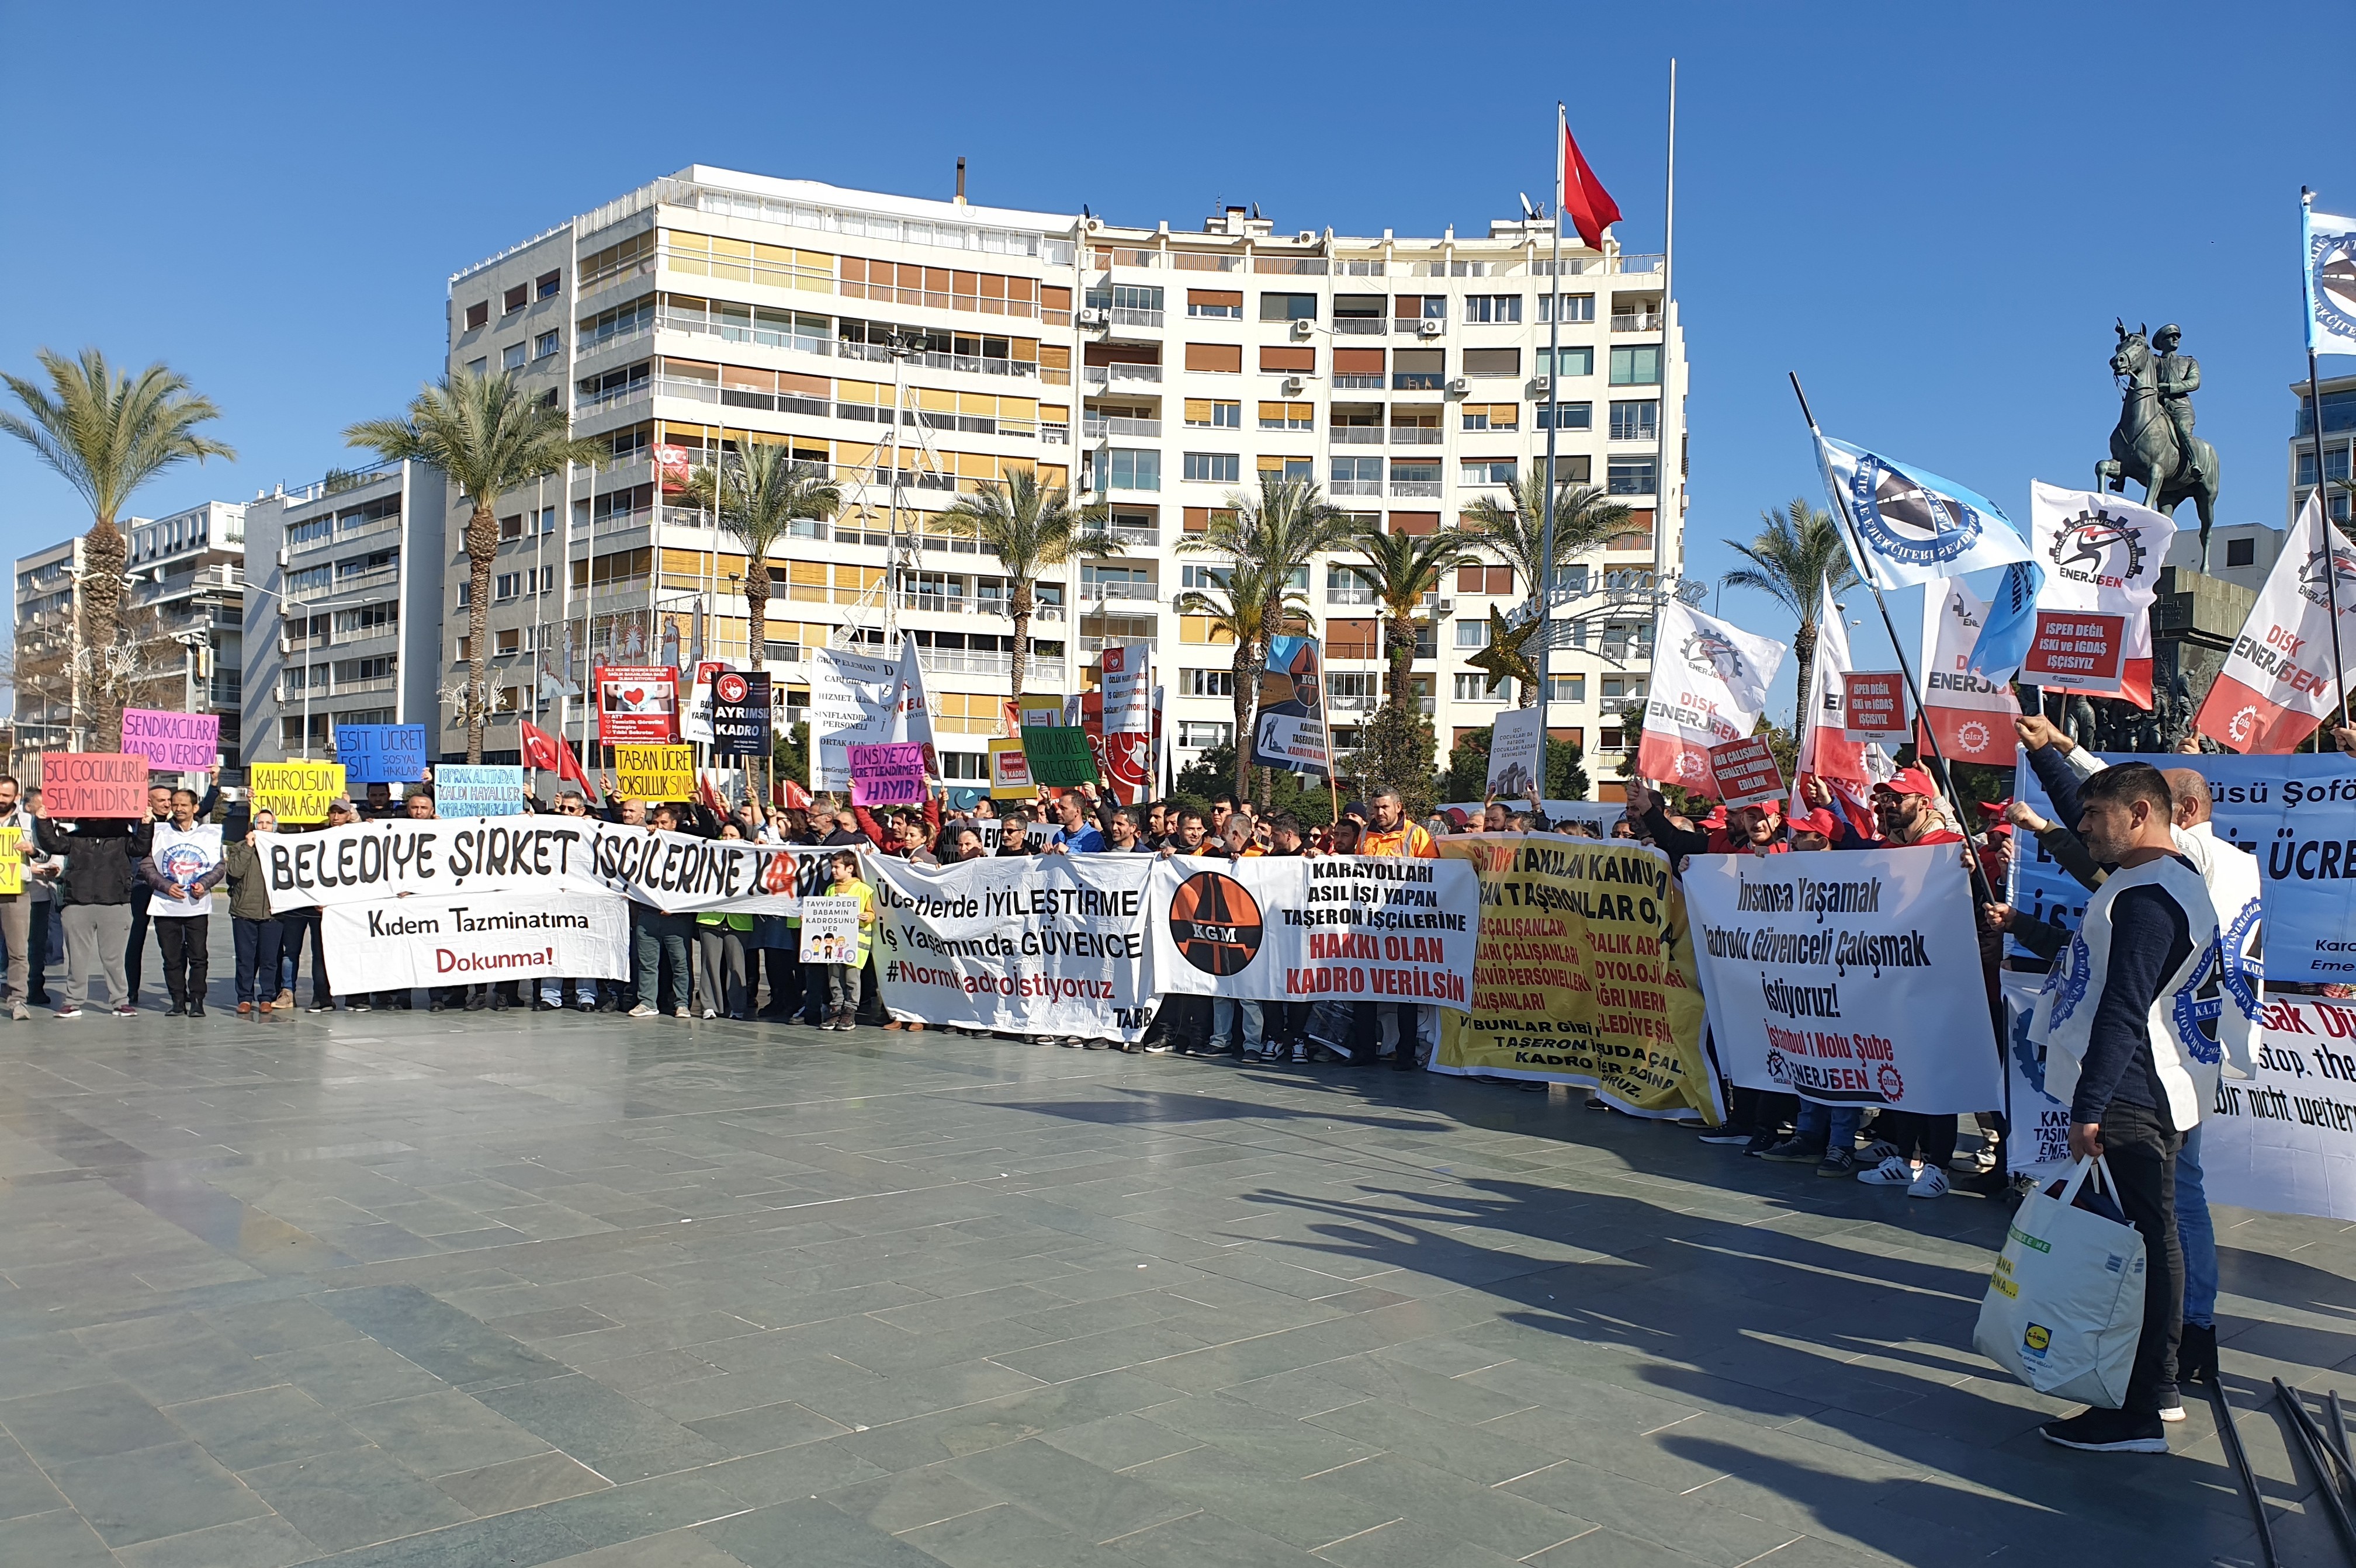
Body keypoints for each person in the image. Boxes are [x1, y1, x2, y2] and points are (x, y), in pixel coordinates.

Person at [2032, 763, 2219, 1453]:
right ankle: (2156, 1389)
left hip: (2135, 1090)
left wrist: (2090, 1106)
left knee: (2143, 1245)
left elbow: (2124, 1007)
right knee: (2152, 1237)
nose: (2084, 827)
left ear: (2139, 812)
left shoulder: (2147, 897)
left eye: (2095, 814)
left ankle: (2141, 1404)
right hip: (2150, 1085)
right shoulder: (2165, 881)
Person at [33, 793, 151, 1018]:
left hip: (115, 902)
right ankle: (73, 1001)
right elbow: (53, 843)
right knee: (76, 957)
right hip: (78, 902)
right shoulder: (75, 838)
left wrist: (146, 824)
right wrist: (43, 821)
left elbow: (141, 848)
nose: (99, 817)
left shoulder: (124, 839)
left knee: (114, 957)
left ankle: (120, 1001)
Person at [1360, 786, 1439, 1070]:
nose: (1379, 813)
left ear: (1398, 807)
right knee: (1364, 988)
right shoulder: (1364, 834)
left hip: (1407, 926)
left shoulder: (1416, 834)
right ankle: (1364, 1051)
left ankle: (1405, 1054)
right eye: (1376, 807)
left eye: (1385, 807)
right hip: (1370, 925)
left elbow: (1434, 874)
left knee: (1406, 990)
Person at [141, 787, 224, 1017]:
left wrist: (205, 884)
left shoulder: (209, 834)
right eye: (174, 804)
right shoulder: (158, 832)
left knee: (198, 956)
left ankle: (197, 999)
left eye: (183, 805)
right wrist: (165, 886)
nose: (177, 809)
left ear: (195, 808)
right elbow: (147, 866)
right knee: (172, 957)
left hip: (197, 906)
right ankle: (177, 999)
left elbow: (219, 866)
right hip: (165, 906)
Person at [221, 811, 285, 1014]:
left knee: (269, 958)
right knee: (245, 958)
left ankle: (267, 996)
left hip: (273, 912)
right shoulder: (240, 848)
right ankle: (245, 997)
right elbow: (234, 872)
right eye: (261, 822)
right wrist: (249, 847)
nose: (265, 826)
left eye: (269, 823)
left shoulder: (283, 848)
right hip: (244, 911)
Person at [817, 851, 874, 1030]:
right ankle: (836, 1008)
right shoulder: (831, 890)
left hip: (856, 943)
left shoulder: (863, 889)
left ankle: (850, 1010)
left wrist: (867, 916)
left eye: (837, 867)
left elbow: (871, 913)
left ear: (850, 869)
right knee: (834, 977)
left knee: (851, 978)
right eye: (832, 867)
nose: (833, 871)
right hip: (833, 944)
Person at [0, 776, 37, 1019]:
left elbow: (46, 852)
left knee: (18, 949)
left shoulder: (27, 821)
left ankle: (18, 999)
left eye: (5, 795)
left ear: (16, 797)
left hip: (15, 890)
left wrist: (32, 850)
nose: (0, 799)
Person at [1045, 790, 1104, 854]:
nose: (1058, 812)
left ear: (1077, 811)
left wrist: (1069, 851)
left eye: (1063, 808)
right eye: (1059, 807)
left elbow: (1093, 862)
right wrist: (1045, 854)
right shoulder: (1059, 835)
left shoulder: (1093, 837)